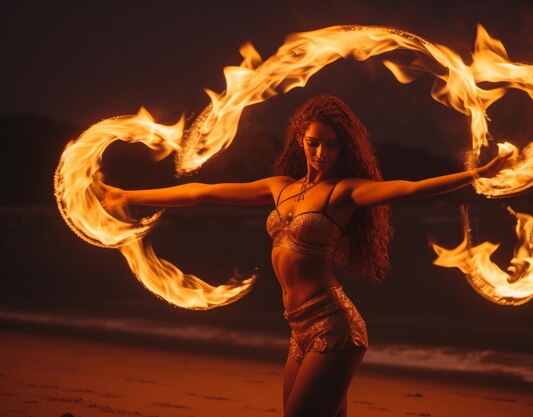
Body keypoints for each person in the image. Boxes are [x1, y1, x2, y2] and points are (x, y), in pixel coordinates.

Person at [101, 95, 511, 417]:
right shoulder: (280, 187)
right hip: (299, 330)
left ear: (341, 147)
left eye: (330, 145)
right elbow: (201, 191)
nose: (320, 154)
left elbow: (410, 188)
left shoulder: (344, 191)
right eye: (313, 143)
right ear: (300, 139)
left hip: (334, 326)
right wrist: (127, 196)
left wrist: (476, 174)